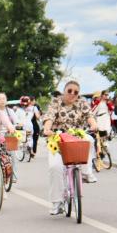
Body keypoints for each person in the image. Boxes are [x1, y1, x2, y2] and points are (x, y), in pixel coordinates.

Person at [43, 79, 98, 215]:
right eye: (70, 91)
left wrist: (94, 125)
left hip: (77, 138)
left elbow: (89, 116)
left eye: (76, 92)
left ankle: (86, 173)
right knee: (54, 167)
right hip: (58, 139)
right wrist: (47, 128)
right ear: (64, 91)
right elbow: (49, 117)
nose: (73, 94)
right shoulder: (56, 102)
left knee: (89, 140)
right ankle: (57, 203)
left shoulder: (82, 102)